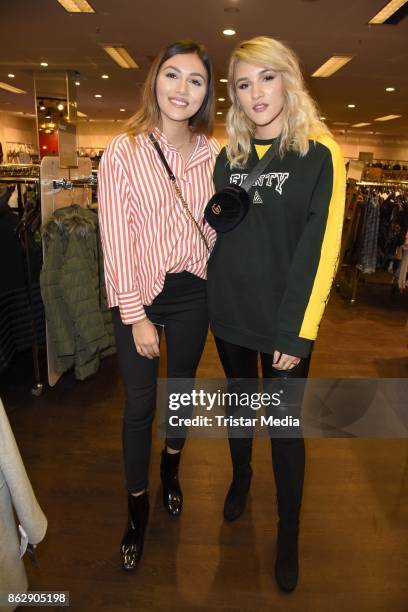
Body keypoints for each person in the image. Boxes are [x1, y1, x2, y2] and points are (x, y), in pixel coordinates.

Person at [206, 36, 346, 592]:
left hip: (282, 323)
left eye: (267, 78)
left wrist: (298, 330)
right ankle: (241, 479)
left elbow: (323, 247)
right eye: (243, 84)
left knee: (286, 432)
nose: (256, 93)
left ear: (288, 79)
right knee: (241, 410)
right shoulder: (229, 157)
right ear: (235, 96)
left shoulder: (318, 153)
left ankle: (288, 532)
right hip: (230, 313)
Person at [98, 40, 217, 571]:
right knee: (139, 405)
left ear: (206, 93)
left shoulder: (216, 154)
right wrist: (136, 315)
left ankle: (172, 467)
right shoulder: (123, 150)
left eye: (195, 80)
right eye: (173, 75)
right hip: (141, 293)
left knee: (180, 392)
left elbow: (217, 225)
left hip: (194, 291)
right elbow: (115, 238)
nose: (182, 89)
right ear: (154, 81)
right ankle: (136, 511)